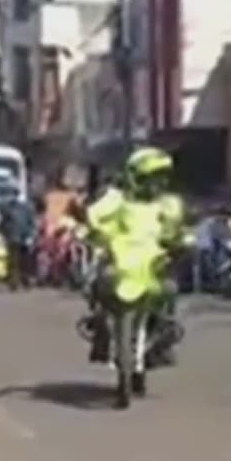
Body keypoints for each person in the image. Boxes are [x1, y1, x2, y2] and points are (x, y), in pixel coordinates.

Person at [82, 147, 190, 367]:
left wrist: (182, 241)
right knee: (100, 282)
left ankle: (162, 337)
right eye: (150, 178)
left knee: (169, 288)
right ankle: (101, 329)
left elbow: (177, 231)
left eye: (161, 178)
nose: (156, 184)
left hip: (153, 266)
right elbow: (94, 218)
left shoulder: (169, 204)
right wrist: (93, 233)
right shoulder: (115, 199)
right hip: (120, 262)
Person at [0, 192, 38, 289]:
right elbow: (32, 223)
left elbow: (3, 223)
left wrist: (1, 232)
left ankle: (18, 282)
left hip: (18, 237)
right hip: (19, 238)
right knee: (20, 261)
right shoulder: (24, 208)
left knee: (18, 261)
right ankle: (19, 282)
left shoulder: (10, 208)